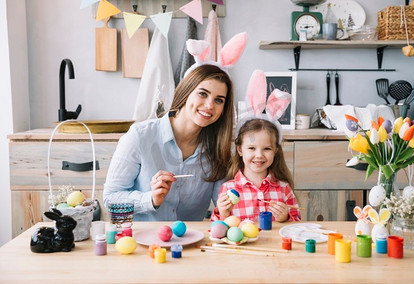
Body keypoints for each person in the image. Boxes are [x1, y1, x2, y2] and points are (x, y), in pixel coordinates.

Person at [103, 64, 235, 221]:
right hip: (142, 241)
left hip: (192, 241)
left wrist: (227, 208)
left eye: (219, 100)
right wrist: (150, 199)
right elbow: (110, 200)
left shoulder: (218, 148)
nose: (209, 105)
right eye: (202, 94)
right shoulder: (140, 136)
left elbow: (223, 206)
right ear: (186, 91)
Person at [211, 70, 301, 222]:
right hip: (240, 246)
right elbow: (217, 229)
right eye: (252, 148)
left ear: (275, 150)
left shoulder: (283, 189)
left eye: (267, 148)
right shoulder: (228, 189)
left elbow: (297, 224)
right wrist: (223, 214)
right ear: (240, 149)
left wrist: (285, 218)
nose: (259, 155)